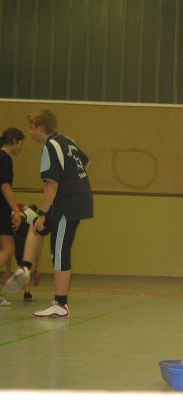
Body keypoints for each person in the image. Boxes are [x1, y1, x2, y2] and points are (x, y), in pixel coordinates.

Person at [27, 109, 94, 318]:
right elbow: (87, 162)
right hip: (75, 200)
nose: (29, 132)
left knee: (60, 251)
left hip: (67, 203)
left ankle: (61, 304)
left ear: (41, 128)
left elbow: (51, 185)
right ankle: (27, 267)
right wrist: (75, 183)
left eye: (31, 128)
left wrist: (43, 214)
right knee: (46, 235)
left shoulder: (50, 146)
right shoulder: (67, 141)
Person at [0, 128, 26, 307]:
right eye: (21, 144)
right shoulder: (5, 158)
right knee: (8, 248)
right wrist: (15, 211)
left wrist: (14, 203)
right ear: (14, 141)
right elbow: (4, 186)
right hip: (1, 211)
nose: (21, 148)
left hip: (3, 206)